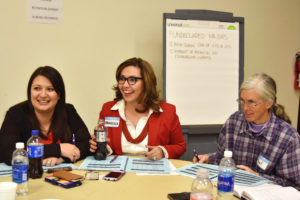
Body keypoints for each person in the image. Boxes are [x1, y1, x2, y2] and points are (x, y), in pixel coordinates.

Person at [194, 73, 300, 190]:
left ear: (268, 103)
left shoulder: (288, 137)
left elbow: (294, 185)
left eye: (251, 102)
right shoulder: (234, 122)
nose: (245, 108)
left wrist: (257, 177)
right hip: (232, 192)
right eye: (242, 101)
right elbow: (224, 157)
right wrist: (208, 158)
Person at [90, 57, 186, 160]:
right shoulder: (108, 109)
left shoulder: (167, 112)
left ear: (146, 83)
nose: (125, 85)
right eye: (122, 79)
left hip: (153, 173)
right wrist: (100, 147)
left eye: (132, 80)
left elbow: (180, 146)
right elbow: (106, 145)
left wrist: (162, 151)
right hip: (118, 172)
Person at [0, 66, 91, 166]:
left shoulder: (68, 111)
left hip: (59, 175)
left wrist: (61, 159)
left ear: (59, 94)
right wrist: (59, 149)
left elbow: (87, 144)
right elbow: (8, 153)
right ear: (30, 91)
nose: (43, 95)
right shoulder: (15, 113)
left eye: (50, 89)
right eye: (37, 88)